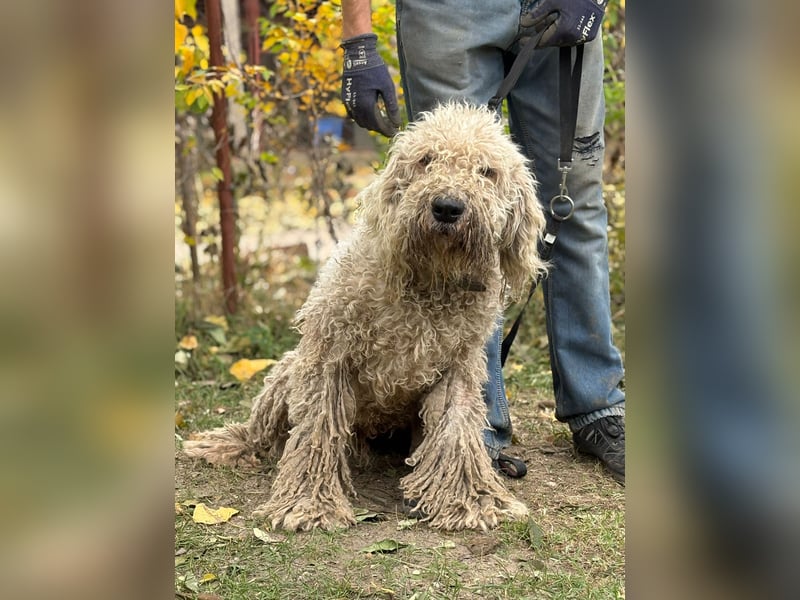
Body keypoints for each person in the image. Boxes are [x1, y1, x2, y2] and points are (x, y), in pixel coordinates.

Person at [339, 0, 625, 483]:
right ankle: (472, 427)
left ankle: (597, 406)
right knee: (449, 204)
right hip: (447, 13)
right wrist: (358, 41)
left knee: (572, 197)